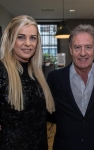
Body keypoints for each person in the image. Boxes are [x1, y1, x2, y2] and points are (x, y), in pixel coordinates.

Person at [47, 24, 94, 150]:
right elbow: (47, 113)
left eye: (88, 47)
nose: (82, 53)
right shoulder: (54, 78)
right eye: (77, 47)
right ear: (71, 49)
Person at [0, 15, 55, 150]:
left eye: (33, 38)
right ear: (10, 39)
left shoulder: (36, 74)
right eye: (21, 37)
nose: (28, 43)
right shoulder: (2, 70)